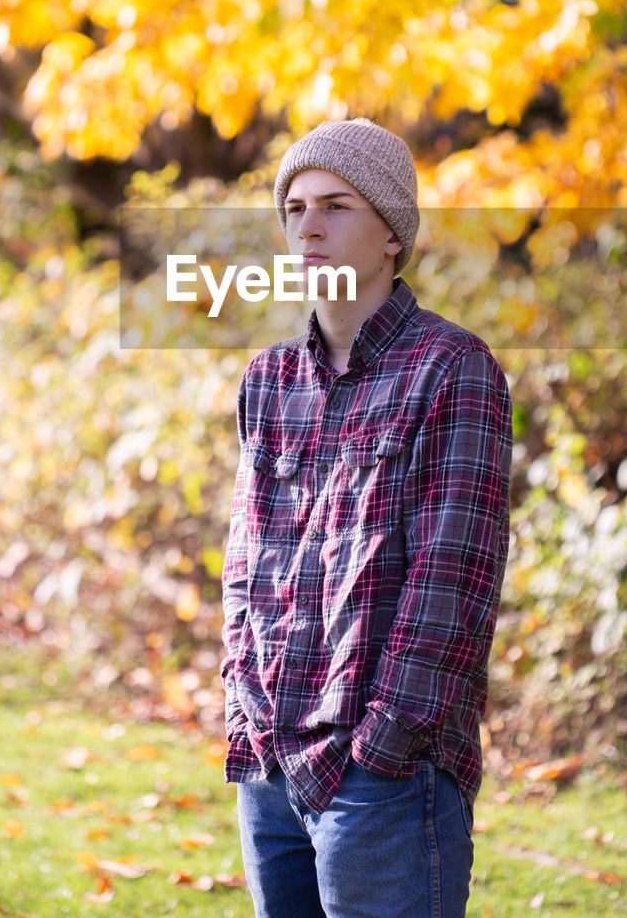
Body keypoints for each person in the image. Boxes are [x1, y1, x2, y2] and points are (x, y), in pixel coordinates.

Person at [220, 118, 513, 918]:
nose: (307, 225)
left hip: (382, 777)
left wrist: (382, 747)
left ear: (391, 234)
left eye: (336, 205)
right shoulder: (268, 378)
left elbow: (452, 583)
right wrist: (243, 708)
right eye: (293, 207)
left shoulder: (453, 369)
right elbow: (245, 562)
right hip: (271, 769)